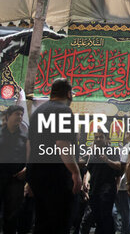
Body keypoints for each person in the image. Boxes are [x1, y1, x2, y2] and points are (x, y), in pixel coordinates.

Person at [27, 77, 82, 234]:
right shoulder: (63, 111)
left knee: (42, 222)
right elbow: (62, 144)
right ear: (69, 94)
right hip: (56, 176)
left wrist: (29, 174)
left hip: (37, 174)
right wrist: (75, 172)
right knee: (59, 222)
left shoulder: (37, 112)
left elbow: (29, 145)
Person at [82, 130, 122, 234]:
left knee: (106, 215)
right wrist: (85, 181)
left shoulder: (113, 151)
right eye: (96, 137)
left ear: (106, 138)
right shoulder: (92, 152)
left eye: (101, 137)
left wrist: (107, 160)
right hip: (94, 188)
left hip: (107, 188)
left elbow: (119, 166)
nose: (98, 139)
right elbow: (89, 170)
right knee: (97, 215)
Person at [0, 105, 27, 234]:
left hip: (16, 180)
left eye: (21, 115)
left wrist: (27, 169)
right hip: (0, 177)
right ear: (8, 116)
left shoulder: (25, 136)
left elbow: (31, 157)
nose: (20, 117)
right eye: (17, 114)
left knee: (12, 215)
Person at [115, 127, 130, 234]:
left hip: (125, 182)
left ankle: (126, 231)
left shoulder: (127, 147)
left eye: (127, 133)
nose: (125, 134)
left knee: (125, 210)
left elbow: (124, 165)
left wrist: (119, 181)